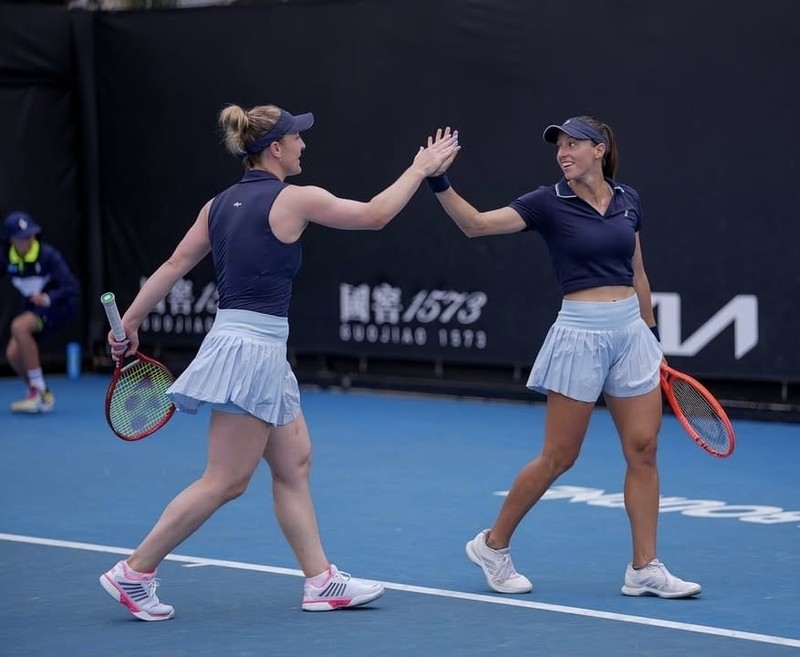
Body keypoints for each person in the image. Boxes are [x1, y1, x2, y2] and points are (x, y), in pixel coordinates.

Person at [98, 103, 460, 621]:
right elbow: (376, 214)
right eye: (297, 138)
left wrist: (130, 320)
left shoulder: (217, 204)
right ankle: (135, 573)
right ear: (275, 148)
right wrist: (421, 169)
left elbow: (176, 264)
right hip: (249, 350)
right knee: (225, 480)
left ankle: (320, 582)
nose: (303, 145)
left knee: (294, 462)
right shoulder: (296, 199)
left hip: (256, 348)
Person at [427, 116, 701, 599]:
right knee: (560, 456)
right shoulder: (546, 203)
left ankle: (644, 567)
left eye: (574, 143)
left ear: (600, 149)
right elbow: (476, 226)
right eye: (560, 145)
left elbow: (638, 272)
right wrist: (439, 180)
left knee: (644, 449)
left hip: (632, 335)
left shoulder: (628, 200)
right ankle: (493, 545)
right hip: (580, 335)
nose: (564, 152)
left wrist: (651, 336)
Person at [3, 211, 80, 413]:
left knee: (19, 327)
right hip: (33, 308)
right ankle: (40, 394)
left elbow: (71, 287)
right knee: (12, 354)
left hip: (58, 307)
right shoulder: (6, 258)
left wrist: (47, 298)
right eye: (22, 237)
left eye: (31, 235)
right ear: (11, 239)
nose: (28, 240)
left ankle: (38, 392)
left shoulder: (48, 255)